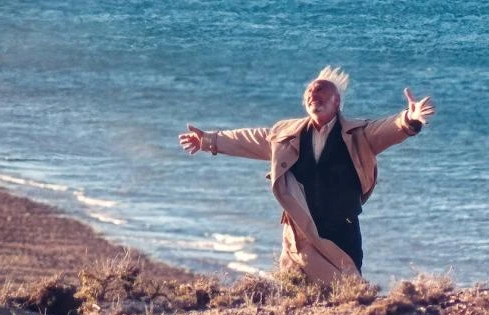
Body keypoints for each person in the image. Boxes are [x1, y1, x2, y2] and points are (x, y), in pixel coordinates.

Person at [178, 66, 434, 284]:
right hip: (299, 232)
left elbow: (387, 128)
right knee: (295, 294)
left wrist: (409, 119)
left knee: (348, 290)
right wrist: (208, 140)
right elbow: (249, 138)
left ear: (337, 102)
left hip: (342, 229)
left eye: (322, 91)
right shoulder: (286, 135)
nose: (314, 94)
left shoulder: (359, 135)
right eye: (310, 92)